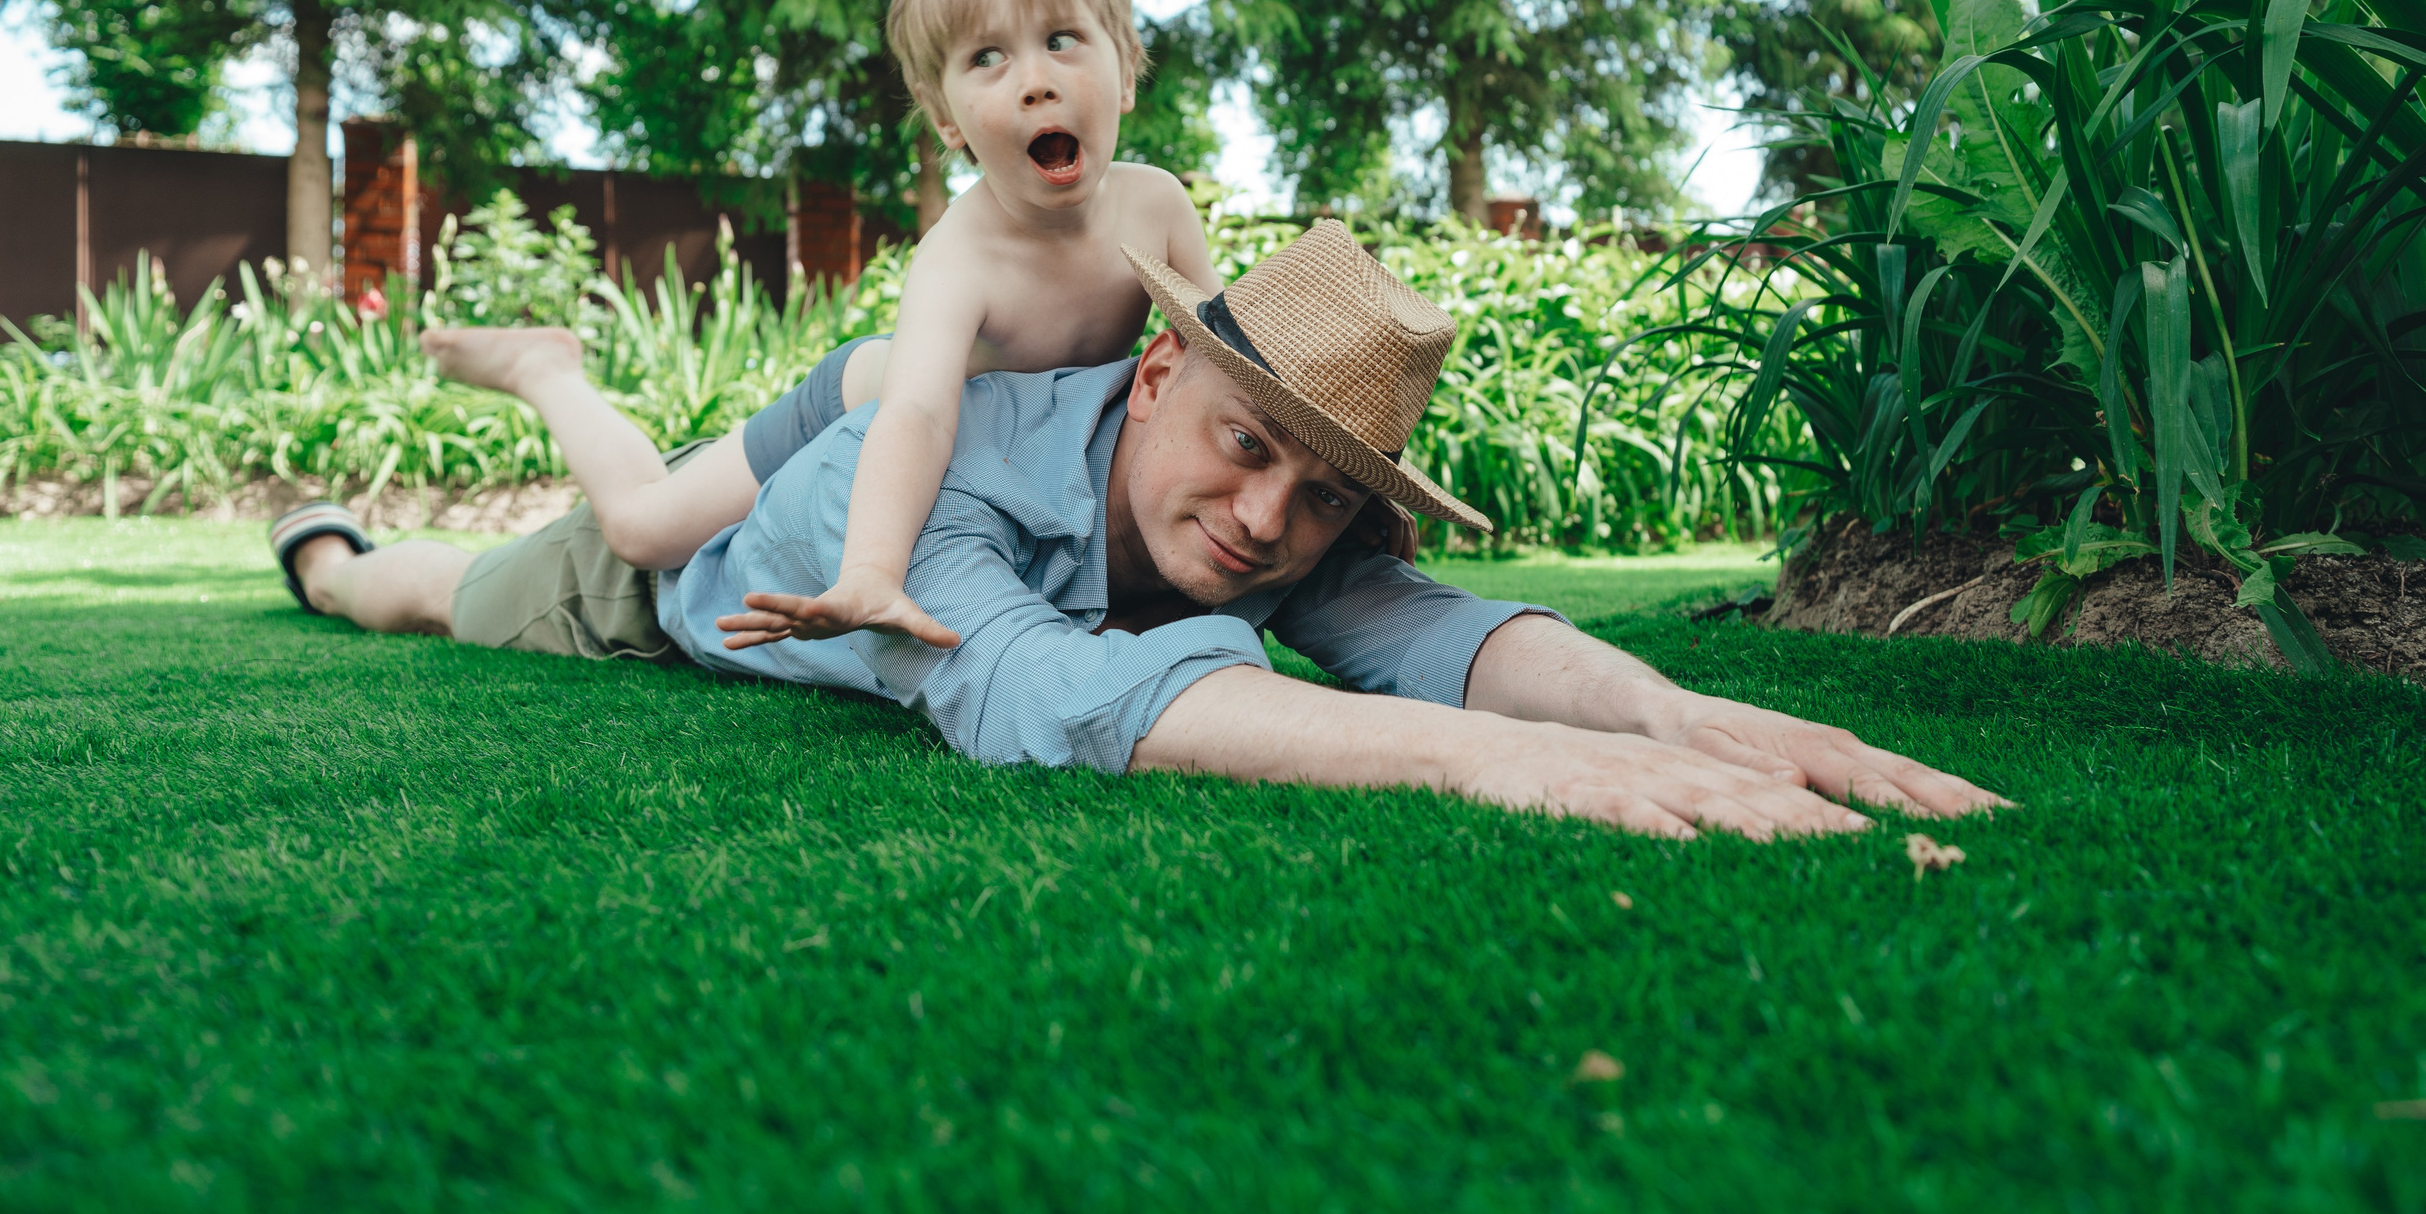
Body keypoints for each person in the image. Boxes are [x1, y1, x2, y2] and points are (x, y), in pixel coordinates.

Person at [269, 223, 2007, 841]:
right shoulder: (941, 475)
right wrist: (1483, 765)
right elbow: (1033, 690)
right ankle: (506, 416)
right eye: (1252, 447)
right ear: (1160, 365)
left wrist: (1660, 715)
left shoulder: (1292, 515)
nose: (1269, 523)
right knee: (432, 594)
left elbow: (1425, 625)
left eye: (1323, 492)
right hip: (662, 580)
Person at [419, 0, 1224, 651]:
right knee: (641, 530)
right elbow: (915, 418)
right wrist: (870, 570)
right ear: (947, 119)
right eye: (987, 57)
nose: (1035, 79)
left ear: (1125, 67)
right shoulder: (961, 255)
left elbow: (1225, 356)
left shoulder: (1156, 206)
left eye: (1061, 39)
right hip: (850, 404)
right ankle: (549, 371)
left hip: (1012, 450)